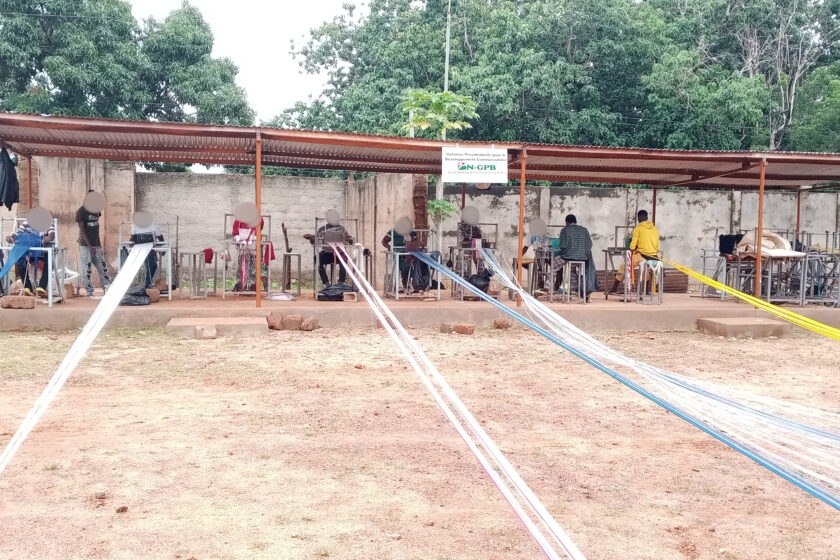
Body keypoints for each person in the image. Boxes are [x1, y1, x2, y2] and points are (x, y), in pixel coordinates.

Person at [5, 220, 55, 297]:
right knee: (20, 259)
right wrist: (12, 237)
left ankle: (42, 287)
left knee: (49, 260)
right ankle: (27, 288)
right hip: (29, 251)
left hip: (42, 250)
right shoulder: (26, 223)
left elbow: (52, 233)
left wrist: (48, 238)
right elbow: (18, 233)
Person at [76, 190, 111, 297]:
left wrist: (97, 244)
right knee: (86, 268)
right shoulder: (81, 211)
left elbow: (95, 227)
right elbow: (82, 231)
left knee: (102, 266)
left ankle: (107, 288)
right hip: (85, 245)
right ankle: (89, 290)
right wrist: (90, 246)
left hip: (96, 244)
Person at [614, 210, 660, 290]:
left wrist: (631, 247)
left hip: (642, 255)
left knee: (623, 265)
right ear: (647, 217)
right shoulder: (655, 229)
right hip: (654, 256)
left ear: (638, 218)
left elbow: (632, 246)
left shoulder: (638, 228)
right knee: (646, 267)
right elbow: (657, 246)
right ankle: (646, 290)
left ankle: (614, 288)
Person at [305, 220, 353, 286]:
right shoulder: (322, 229)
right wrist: (311, 237)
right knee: (317, 258)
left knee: (344, 259)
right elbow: (315, 241)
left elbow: (349, 240)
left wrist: (350, 240)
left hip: (339, 253)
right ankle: (326, 283)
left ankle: (341, 282)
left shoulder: (342, 229)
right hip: (327, 253)